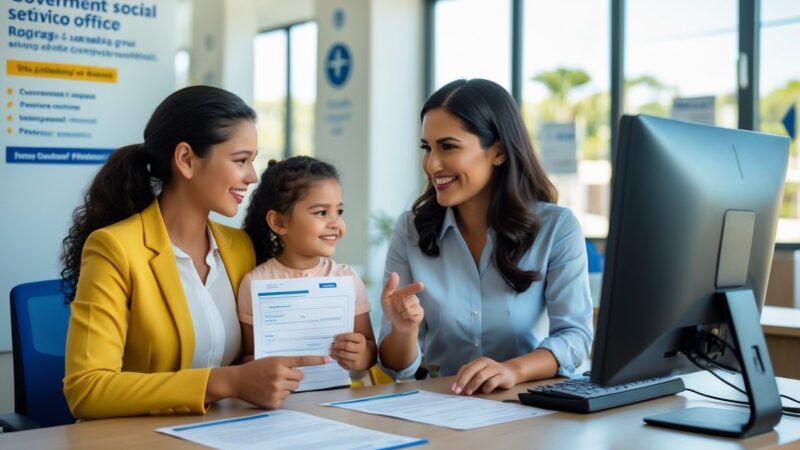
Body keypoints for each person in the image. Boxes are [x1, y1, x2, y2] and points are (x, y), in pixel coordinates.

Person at [61, 86, 327, 420]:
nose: (252, 176)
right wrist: (225, 381)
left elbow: (249, 356)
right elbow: (86, 389)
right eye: (241, 160)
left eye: (252, 161)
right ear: (186, 160)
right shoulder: (114, 249)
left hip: (226, 430)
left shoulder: (238, 247)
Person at [378, 79, 594, 396]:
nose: (431, 164)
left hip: (525, 404)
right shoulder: (410, 230)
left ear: (499, 152)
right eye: (427, 148)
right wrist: (402, 330)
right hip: (440, 405)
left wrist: (513, 370)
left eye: (448, 146)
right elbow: (396, 367)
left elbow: (575, 337)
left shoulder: (556, 227)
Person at [239, 156, 376, 371]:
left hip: (337, 398)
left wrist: (361, 355)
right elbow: (247, 356)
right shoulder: (254, 282)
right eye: (322, 213)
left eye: (339, 211)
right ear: (279, 222)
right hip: (277, 401)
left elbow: (369, 349)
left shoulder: (347, 279)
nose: (335, 223)